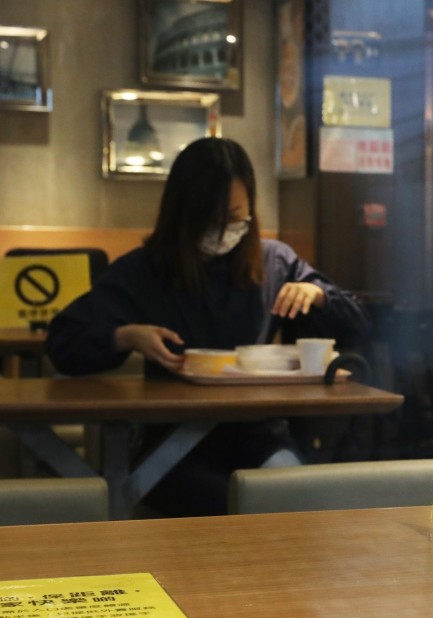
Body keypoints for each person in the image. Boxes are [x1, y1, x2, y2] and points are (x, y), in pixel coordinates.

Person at [45, 137, 370, 516]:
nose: (222, 231)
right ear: (183, 214)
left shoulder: (274, 262)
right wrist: (124, 336)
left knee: (293, 505)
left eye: (234, 217)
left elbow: (359, 325)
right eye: (209, 220)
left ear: (250, 208)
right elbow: (63, 342)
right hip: (170, 442)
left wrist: (318, 297)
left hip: (257, 435)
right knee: (231, 511)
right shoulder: (145, 270)